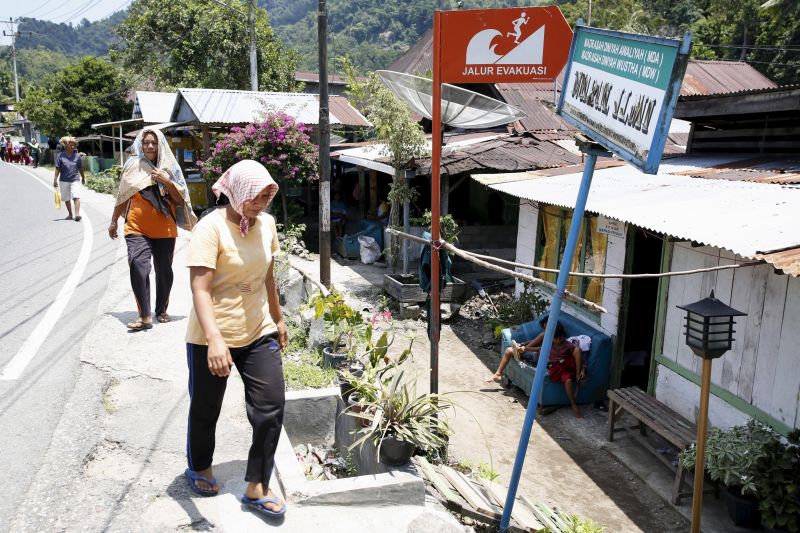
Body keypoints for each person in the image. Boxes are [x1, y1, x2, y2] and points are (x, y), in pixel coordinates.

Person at [184, 159, 288, 518]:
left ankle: (257, 484)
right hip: (212, 335)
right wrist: (214, 340)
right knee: (206, 408)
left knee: (271, 405)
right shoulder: (209, 228)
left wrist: (278, 317)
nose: (260, 205)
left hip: (258, 331)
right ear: (237, 192)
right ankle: (199, 466)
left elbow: (268, 277)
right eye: (255, 198)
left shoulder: (267, 225)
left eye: (266, 197)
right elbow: (200, 288)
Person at [108, 128, 196, 331]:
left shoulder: (169, 168)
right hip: (136, 227)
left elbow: (180, 200)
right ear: (140, 144)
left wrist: (166, 181)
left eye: (154, 143)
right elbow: (123, 195)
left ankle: (161, 309)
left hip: (164, 229)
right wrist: (114, 221)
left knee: (164, 271)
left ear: (161, 145)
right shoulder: (133, 166)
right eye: (146, 142)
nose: (149, 146)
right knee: (138, 266)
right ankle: (145, 315)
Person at [486, 321, 585, 418]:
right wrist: (524, 346)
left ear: (562, 336)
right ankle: (498, 374)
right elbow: (538, 347)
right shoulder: (549, 339)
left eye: (558, 338)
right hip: (535, 355)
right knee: (508, 351)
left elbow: (578, 355)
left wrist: (581, 370)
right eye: (555, 338)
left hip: (539, 359)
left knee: (567, 379)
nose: (557, 340)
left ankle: (573, 405)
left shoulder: (568, 346)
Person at [53, 136, 86, 221]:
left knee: (76, 196)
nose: (72, 146)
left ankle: (77, 214)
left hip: (75, 179)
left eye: (73, 145)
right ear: (66, 146)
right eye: (70, 144)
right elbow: (58, 168)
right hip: (63, 180)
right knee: (66, 198)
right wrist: (55, 179)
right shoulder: (61, 155)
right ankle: (70, 214)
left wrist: (83, 177)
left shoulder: (77, 156)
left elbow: (80, 168)